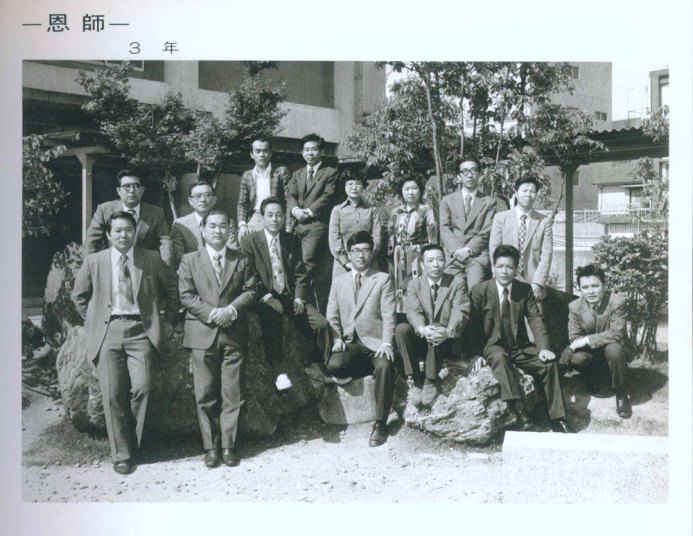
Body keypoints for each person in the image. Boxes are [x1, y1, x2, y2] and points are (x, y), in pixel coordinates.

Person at [71, 211, 178, 474]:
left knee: (142, 387)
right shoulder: (95, 261)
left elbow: (172, 289)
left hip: (141, 330)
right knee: (113, 394)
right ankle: (122, 455)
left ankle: (133, 444)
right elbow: (79, 295)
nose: (123, 235)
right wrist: (94, 320)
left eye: (128, 230)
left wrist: (168, 321)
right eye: (117, 231)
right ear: (108, 235)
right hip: (107, 331)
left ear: (135, 233)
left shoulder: (151, 258)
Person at [178, 210, 258, 469]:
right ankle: (210, 447)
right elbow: (186, 295)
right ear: (203, 230)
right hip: (202, 333)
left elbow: (251, 290)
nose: (217, 231)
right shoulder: (190, 260)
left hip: (233, 333)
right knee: (204, 393)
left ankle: (228, 446)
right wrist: (213, 313)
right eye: (212, 226)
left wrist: (231, 310)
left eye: (223, 226)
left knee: (233, 392)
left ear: (229, 230)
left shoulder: (242, 258)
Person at [469, 244, 574, 433]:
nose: (504, 271)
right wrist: (475, 354)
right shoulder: (479, 291)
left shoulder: (524, 290)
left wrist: (543, 348)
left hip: (519, 346)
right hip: (493, 346)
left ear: (516, 269)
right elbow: (472, 326)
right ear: (493, 267)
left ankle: (558, 418)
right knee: (500, 358)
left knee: (550, 364)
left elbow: (536, 320)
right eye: (500, 266)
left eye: (509, 267)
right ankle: (519, 412)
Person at [240, 197, 332, 391]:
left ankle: (321, 365)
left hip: (289, 295)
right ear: (262, 217)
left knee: (320, 324)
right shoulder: (250, 241)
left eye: (279, 215)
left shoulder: (291, 240)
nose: (275, 219)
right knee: (271, 317)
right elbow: (249, 275)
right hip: (263, 296)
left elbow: (300, 273)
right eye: (270, 215)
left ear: (284, 218)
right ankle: (279, 372)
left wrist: (299, 297)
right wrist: (267, 297)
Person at [325, 231, 396, 447]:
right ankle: (365, 368)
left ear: (372, 253)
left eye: (365, 250)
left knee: (385, 366)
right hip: (351, 343)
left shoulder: (382, 279)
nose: (361, 255)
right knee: (334, 365)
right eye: (356, 251)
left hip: (376, 342)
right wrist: (336, 338)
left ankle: (380, 423)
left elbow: (389, 315)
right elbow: (332, 316)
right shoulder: (339, 282)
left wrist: (386, 342)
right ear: (349, 254)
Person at [395, 244, 469, 406]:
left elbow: (460, 310)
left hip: (447, 341)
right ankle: (416, 379)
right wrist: (422, 329)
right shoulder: (414, 284)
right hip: (424, 338)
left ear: (445, 262)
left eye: (440, 260)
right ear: (422, 265)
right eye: (430, 261)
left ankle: (430, 380)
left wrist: (448, 331)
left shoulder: (456, 282)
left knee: (436, 326)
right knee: (401, 329)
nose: (436, 265)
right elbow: (413, 312)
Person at [561, 264, 633, 418]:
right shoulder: (574, 307)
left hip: (614, 349)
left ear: (604, 286)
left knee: (614, 349)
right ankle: (592, 377)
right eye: (585, 287)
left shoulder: (617, 302)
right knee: (577, 358)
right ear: (580, 289)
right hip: (592, 352)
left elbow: (616, 333)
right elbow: (574, 337)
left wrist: (587, 339)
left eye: (595, 286)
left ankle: (621, 392)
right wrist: (585, 342)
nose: (590, 291)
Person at [286, 133, 339, 314]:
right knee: (291, 260)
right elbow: (291, 195)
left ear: (321, 151)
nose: (310, 153)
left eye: (314, 149)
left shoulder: (330, 172)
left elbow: (327, 196)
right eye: (306, 150)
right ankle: (293, 295)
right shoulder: (297, 173)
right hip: (296, 224)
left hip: (316, 225)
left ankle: (302, 299)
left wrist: (308, 212)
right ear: (302, 153)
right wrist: (295, 210)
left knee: (306, 261)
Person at [83, 169, 173, 266]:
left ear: (142, 190)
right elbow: (91, 243)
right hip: (113, 266)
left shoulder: (155, 213)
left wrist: (165, 268)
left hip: (145, 268)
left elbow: (165, 243)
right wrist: (91, 269)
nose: (132, 190)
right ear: (118, 191)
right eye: (127, 186)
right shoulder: (104, 210)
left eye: (136, 186)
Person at [489, 175, 552, 301]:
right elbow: (494, 250)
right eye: (524, 191)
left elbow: (547, 255)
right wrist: (500, 276)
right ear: (516, 193)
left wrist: (538, 283)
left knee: (535, 313)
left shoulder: (544, 221)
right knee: (505, 312)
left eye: (532, 192)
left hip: (533, 284)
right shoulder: (501, 218)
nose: (528, 195)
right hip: (505, 280)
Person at [439, 159, 497, 291]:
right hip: (453, 256)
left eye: (473, 171)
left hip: (477, 256)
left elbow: (487, 231)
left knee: (475, 292)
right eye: (465, 172)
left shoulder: (489, 202)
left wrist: (468, 250)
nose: (470, 175)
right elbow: (444, 229)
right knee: (451, 292)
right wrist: (457, 251)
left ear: (480, 175)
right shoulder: (448, 200)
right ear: (459, 177)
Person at [387, 174, 437, 313]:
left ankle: (421, 314)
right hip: (399, 255)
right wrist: (390, 259)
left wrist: (430, 257)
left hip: (419, 254)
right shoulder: (396, 212)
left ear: (420, 190)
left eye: (414, 188)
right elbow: (391, 236)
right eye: (407, 189)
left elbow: (432, 235)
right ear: (401, 192)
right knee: (401, 287)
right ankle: (403, 316)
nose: (410, 192)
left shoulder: (426, 210)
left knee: (419, 284)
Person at [171, 180, 239, 270]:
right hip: (193, 271)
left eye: (208, 195)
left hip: (221, 269)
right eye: (197, 196)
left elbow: (232, 251)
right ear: (190, 201)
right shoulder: (180, 225)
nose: (203, 200)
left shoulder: (226, 222)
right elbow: (180, 257)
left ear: (214, 199)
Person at [328, 169, 381, 278]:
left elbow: (377, 236)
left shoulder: (372, 210)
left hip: (368, 263)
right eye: (350, 184)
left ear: (363, 186)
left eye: (358, 184)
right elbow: (334, 239)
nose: (354, 187)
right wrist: (347, 262)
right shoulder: (338, 210)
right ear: (344, 187)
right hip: (344, 266)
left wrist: (366, 258)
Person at [237, 136, 289, 238]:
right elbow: (242, 203)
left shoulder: (280, 172)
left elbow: (289, 200)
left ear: (271, 153)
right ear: (252, 154)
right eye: (258, 151)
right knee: (243, 238)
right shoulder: (247, 175)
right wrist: (242, 225)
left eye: (265, 151)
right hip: (255, 217)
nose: (262, 155)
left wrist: (288, 226)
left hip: (275, 216)